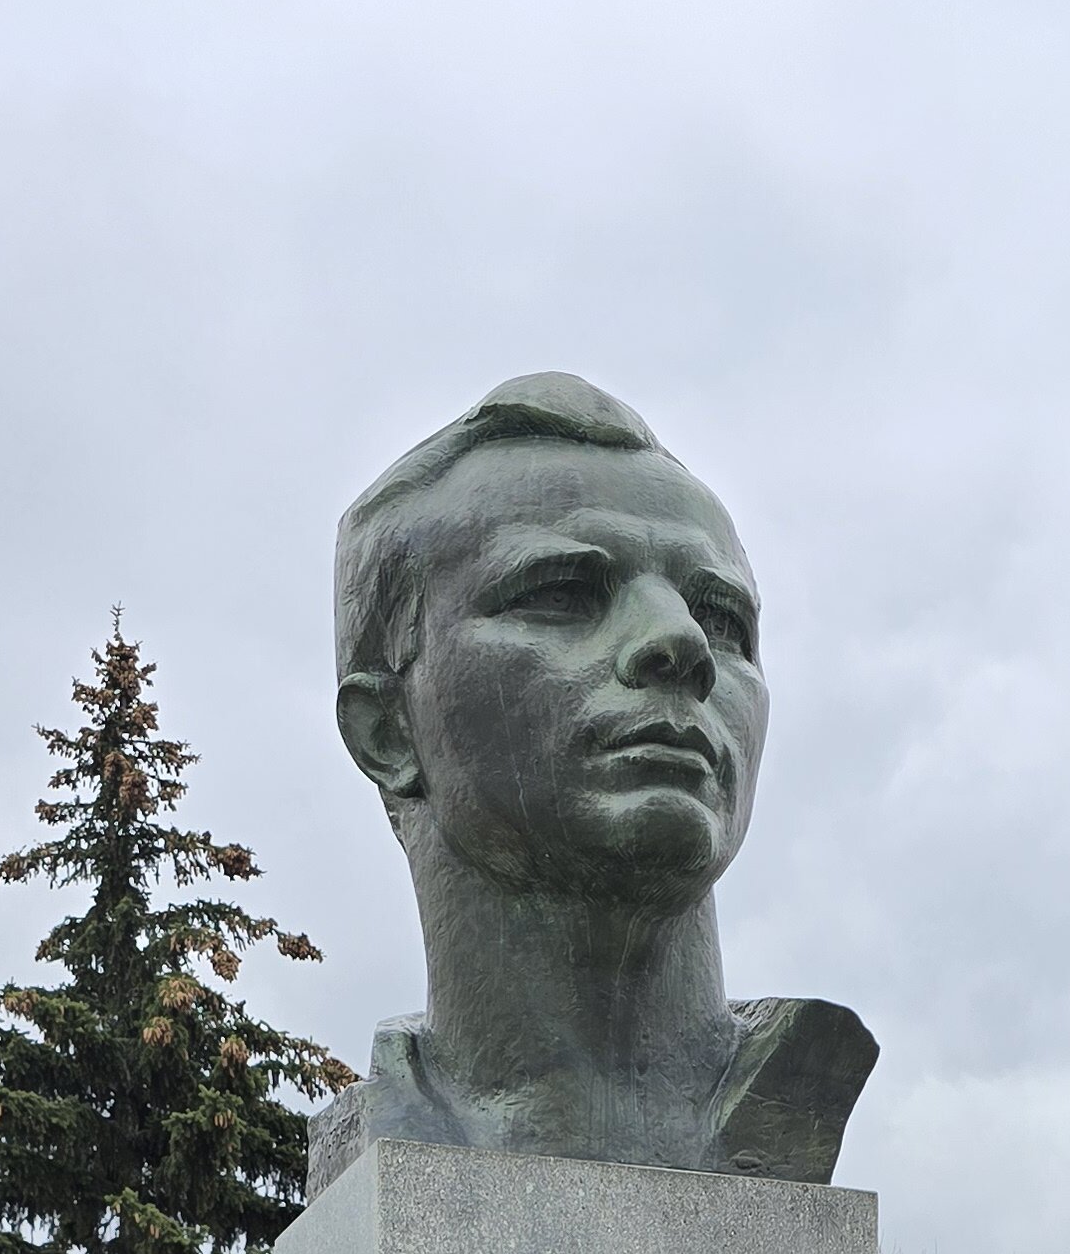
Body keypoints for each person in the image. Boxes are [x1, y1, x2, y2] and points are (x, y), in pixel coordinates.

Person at [316, 372, 875, 1186]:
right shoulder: (388, 1148)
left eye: (722, 619)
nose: (683, 645)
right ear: (388, 730)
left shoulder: (799, 1096)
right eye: (562, 594)